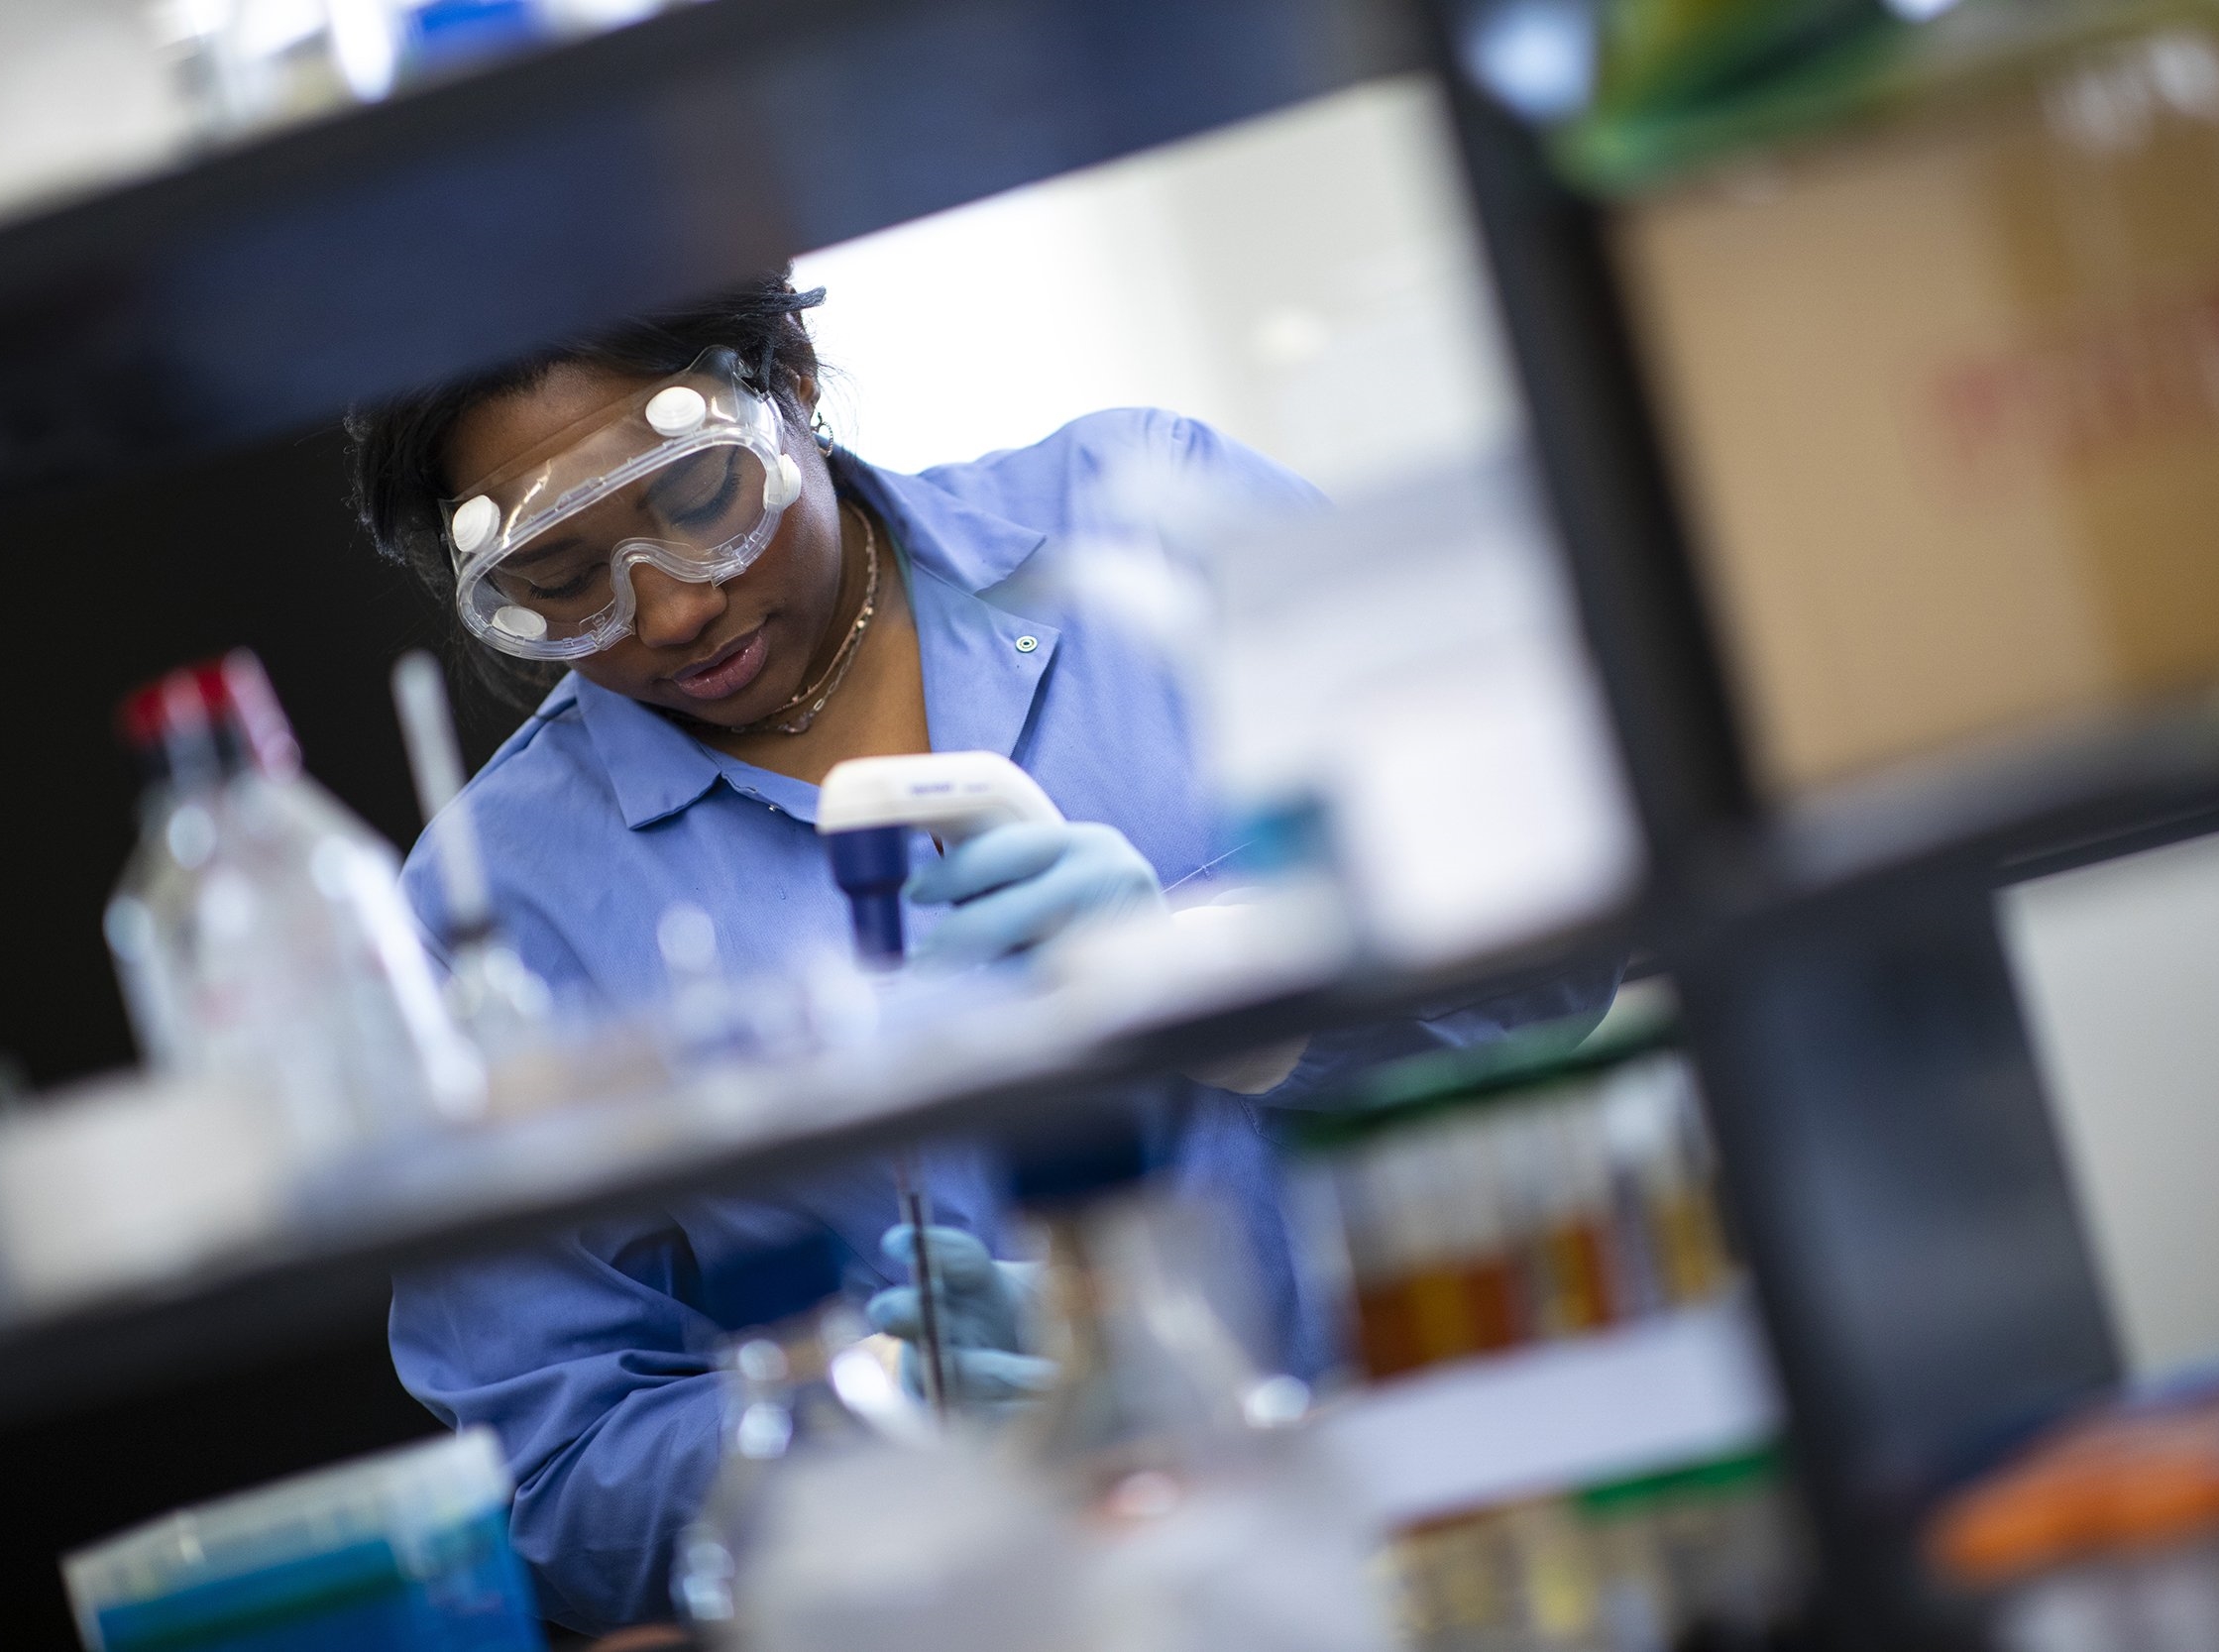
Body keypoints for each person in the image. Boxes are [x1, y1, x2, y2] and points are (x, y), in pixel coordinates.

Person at [349, 273, 1617, 1633]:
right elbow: (549, 1484)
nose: (667, 613)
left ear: (794, 380)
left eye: (701, 499)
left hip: (1485, 1516)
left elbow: (1560, 953)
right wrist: (854, 1413)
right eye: (559, 580)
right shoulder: (501, 910)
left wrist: (1234, 983)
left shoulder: (1147, 518)